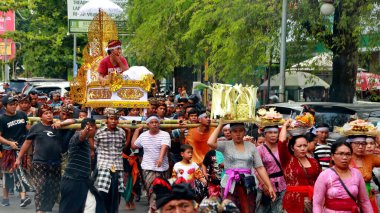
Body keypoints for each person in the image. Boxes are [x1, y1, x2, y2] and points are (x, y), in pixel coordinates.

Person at [208, 121, 276, 213]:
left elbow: (259, 167)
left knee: (248, 209)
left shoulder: (251, 147)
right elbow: (210, 142)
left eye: (240, 131)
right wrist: (221, 124)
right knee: (229, 210)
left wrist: (269, 186)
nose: (238, 134)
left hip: (247, 184)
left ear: (244, 132)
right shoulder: (225, 145)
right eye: (235, 131)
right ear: (230, 132)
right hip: (230, 183)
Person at [14, 104, 67, 213]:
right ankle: (39, 210)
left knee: (53, 189)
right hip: (40, 163)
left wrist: (60, 123)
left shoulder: (58, 125)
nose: (49, 115)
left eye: (50, 113)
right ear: (40, 116)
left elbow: (73, 121)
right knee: (40, 188)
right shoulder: (36, 127)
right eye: (46, 113)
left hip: (56, 163)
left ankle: (45, 210)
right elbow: (27, 143)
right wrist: (18, 158)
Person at [313, 141, 373, 212]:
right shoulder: (324, 175)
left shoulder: (357, 174)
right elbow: (317, 204)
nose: (344, 157)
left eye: (348, 154)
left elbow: (364, 201)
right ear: (332, 156)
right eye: (340, 154)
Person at [59, 118, 104, 213]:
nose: (96, 130)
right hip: (72, 181)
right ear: (90, 127)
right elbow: (81, 136)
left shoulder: (87, 141)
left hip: (84, 181)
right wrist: (86, 130)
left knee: (92, 206)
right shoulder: (76, 136)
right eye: (95, 128)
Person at [279, 120, 322, 213]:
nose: (303, 148)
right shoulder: (288, 160)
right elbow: (282, 143)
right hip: (292, 202)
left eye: (305, 145)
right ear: (292, 147)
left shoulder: (314, 162)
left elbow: (321, 181)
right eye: (299, 146)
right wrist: (284, 126)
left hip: (312, 201)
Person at [130, 114, 171, 212]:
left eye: (156, 122)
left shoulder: (165, 134)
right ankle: (153, 208)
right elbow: (134, 146)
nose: (154, 124)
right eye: (152, 123)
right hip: (148, 167)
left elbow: (164, 146)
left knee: (163, 190)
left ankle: (161, 208)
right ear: (148, 124)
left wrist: (160, 158)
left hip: (163, 167)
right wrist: (136, 131)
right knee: (152, 190)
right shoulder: (143, 135)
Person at [0, 95, 32, 207]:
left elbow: (28, 129)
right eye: (11, 105)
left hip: (21, 148)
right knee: (8, 174)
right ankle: (5, 197)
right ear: (4, 106)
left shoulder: (22, 114)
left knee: (20, 173)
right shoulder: (2, 119)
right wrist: (9, 143)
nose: (14, 106)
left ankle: (23, 198)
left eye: (15, 104)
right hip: (8, 150)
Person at [93, 108, 126, 213]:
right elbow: (95, 147)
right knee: (102, 192)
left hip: (118, 166)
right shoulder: (99, 132)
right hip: (104, 165)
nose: (113, 121)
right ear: (107, 119)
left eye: (116, 119)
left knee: (116, 194)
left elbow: (123, 146)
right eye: (111, 118)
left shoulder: (121, 132)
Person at [256, 126, 286, 213]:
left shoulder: (281, 147)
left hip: (282, 184)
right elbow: (257, 169)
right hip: (265, 184)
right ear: (264, 134)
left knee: (279, 210)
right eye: (270, 132)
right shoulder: (259, 149)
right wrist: (264, 185)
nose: (273, 135)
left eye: (275, 132)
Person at [348, 134, 380, 212]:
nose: (360, 147)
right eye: (357, 143)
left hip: (368, 199)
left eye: (363, 143)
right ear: (350, 144)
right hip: (350, 199)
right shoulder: (345, 158)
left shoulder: (370, 158)